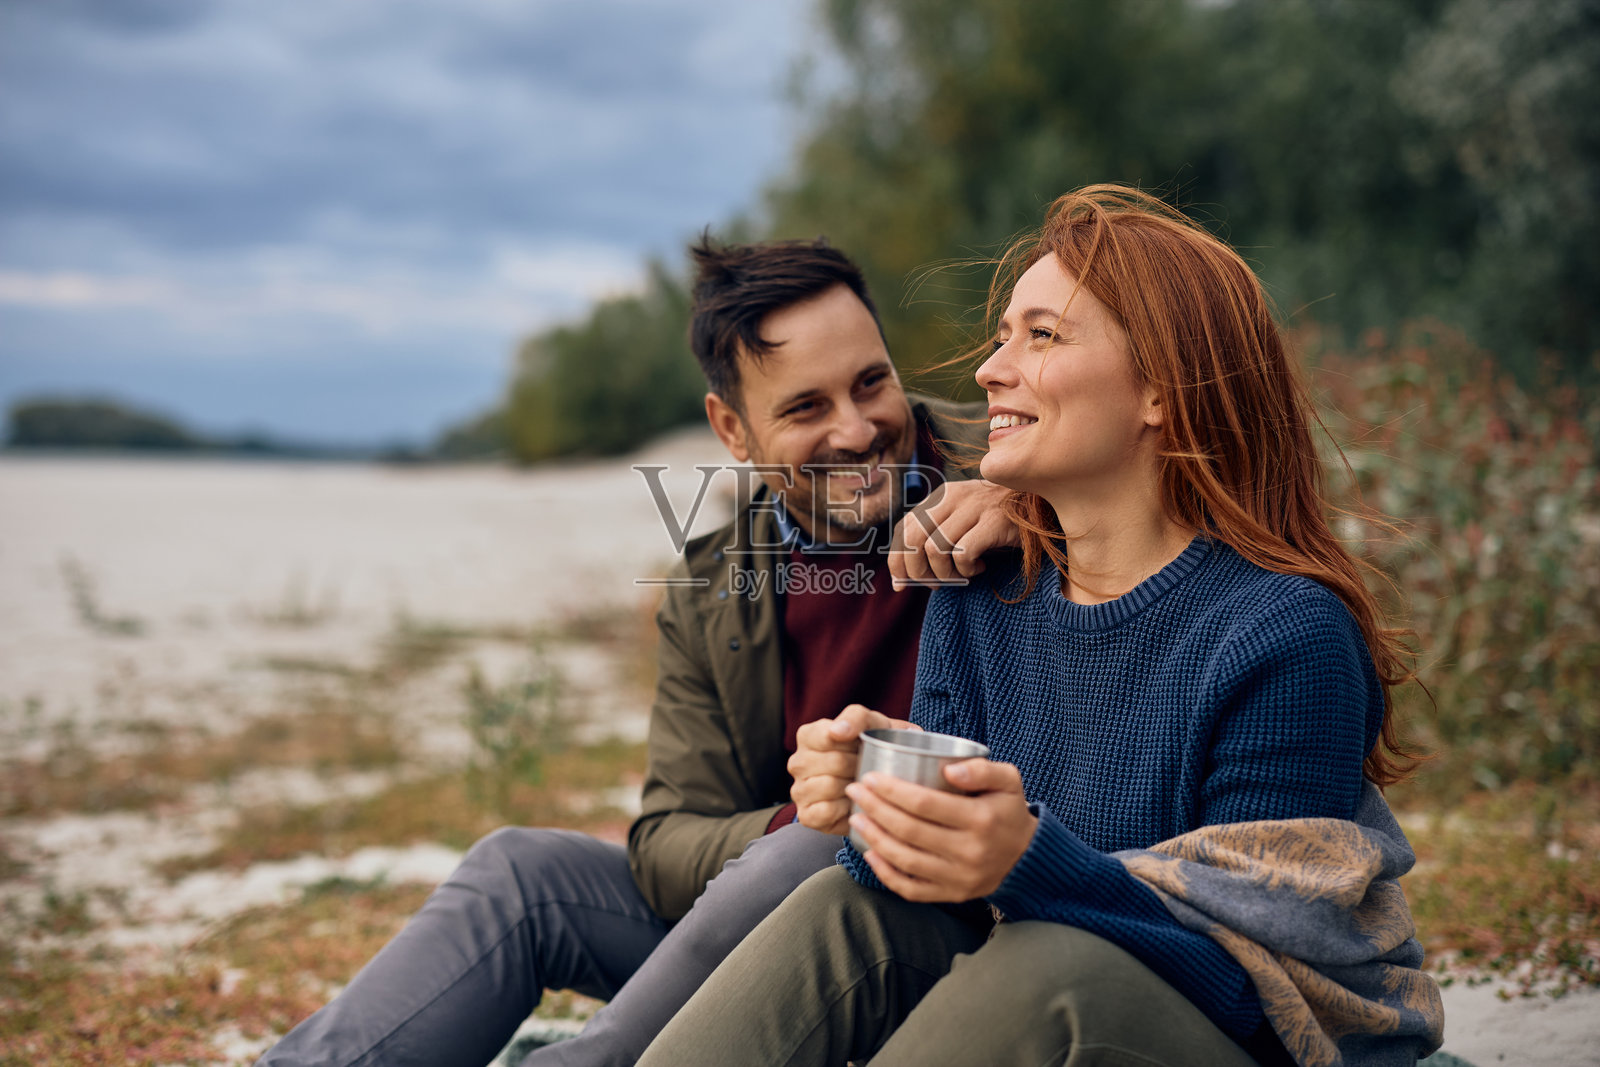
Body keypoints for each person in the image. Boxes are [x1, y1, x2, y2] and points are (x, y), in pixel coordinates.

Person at [636, 186, 1446, 1067]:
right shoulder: (982, 592)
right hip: (1046, 1006)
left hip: (1238, 1041)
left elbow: (1262, 996)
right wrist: (878, 797)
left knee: (1051, 960)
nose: (989, 370)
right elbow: (911, 894)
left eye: (1043, 336)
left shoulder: (1285, 635)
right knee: (845, 906)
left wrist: (1024, 857)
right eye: (1000, 338)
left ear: (1162, 391)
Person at [257, 235, 1012, 1067]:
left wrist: (1026, 508)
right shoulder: (717, 580)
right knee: (522, 874)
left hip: (952, 922)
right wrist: (793, 823)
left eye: (871, 382)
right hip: (757, 917)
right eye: (804, 408)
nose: (857, 427)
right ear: (733, 427)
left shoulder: (1009, 474)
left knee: (829, 839)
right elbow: (664, 840)